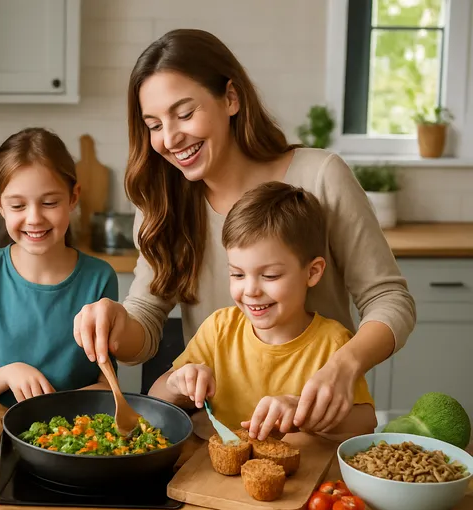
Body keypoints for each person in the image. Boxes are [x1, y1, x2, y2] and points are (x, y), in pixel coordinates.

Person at [73, 28, 415, 433]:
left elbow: (389, 298)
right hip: (216, 444)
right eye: (154, 124)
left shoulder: (320, 177)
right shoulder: (162, 203)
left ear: (231, 99)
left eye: (184, 114)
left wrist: (345, 365)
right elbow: (145, 322)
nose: (169, 138)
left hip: (314, 437)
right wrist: (115, 322)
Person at [148, 182, 378, 441]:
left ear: (312, 272)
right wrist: (177, 384)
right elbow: (156, 399)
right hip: (211, 475)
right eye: (237, 274)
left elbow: (366, 421)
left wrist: (302, 415)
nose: (251, 290)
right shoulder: (219, 329)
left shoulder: (333, 342)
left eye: (269, 275)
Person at [0, 128, 118, 406]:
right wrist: (8, 374)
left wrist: (57, 406)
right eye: (17, 205)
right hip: (0, 434)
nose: (34, 218)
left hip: (72, 434)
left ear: (73, 197)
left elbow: (106, 383)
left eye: (50, 203)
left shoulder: (99, 278)